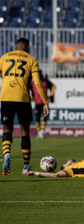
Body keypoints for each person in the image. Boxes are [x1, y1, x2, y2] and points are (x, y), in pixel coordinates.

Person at [0, 38, 50, 175]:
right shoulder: (31, 60)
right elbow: (38, 84)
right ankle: (26, 166)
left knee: (7, 129)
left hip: (6, 97)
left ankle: (6, 154)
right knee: (25, 133)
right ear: (27, 47)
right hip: (23, 99)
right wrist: (45, 102)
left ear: (16, 46)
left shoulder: (4, 57)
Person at [31, 70, 56, 139]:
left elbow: (53, 87)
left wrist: (50, 95)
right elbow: (28, 90)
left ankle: (42, 131)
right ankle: (39, 132)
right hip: (37, 103)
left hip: (45, 103)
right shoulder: (33, 82)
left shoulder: (45, 81)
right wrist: (31, 97)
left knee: (45, 117)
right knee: (37, 118)